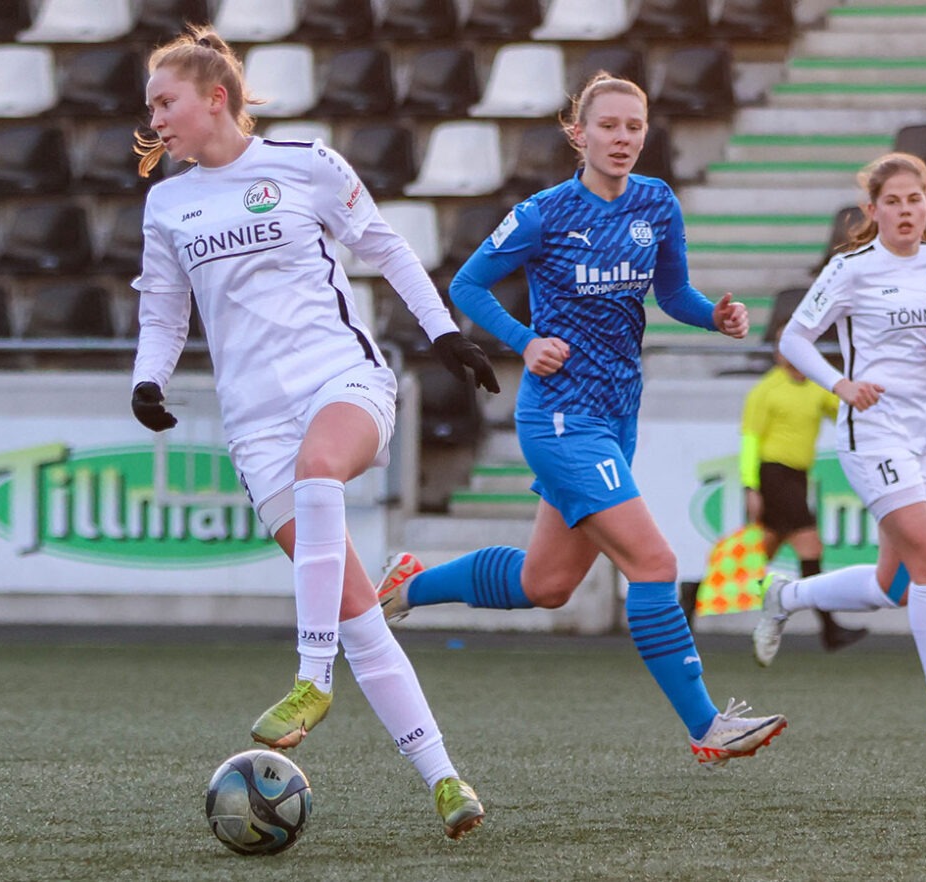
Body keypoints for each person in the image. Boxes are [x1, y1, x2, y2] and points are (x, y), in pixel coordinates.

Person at [129, 26, 500, 838]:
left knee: (321, 472)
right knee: (361, 612)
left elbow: (388, 248)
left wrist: (442, 334)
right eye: (152, 105)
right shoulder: (168, 202)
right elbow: (164, 308)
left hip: (343, 381)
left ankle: (309, 676)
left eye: (166, 101)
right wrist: (146, 380)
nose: (154, 118)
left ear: (214, 98)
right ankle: (446, 782)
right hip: (255, 424)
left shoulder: (307, 163)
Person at [376, 72, 787, 767]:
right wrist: (525, 341)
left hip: (617, 414)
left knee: (548, 584)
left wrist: (713, 317)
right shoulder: (544, 212)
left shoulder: (657, 203)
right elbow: (466, 284)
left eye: (635, 126)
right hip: (561, 418)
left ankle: (404, 587)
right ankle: (707, 726)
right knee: (654, 563)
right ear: (579, 133)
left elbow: (674, 292)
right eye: (609, 126)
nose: (623, 138)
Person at [751, 152, 926, 741]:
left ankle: (785, 594)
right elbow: (794, 336)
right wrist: (840, 384)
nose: (905, 210)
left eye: (915, 199)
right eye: (893, 201)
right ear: (873, 210)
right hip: (873, 434)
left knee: (897, 586)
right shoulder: (852, 268)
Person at [738, 348, 868, 651]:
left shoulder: (814, 388)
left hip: (796, 478)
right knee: (810, 545)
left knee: (758, 556)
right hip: (773, 475)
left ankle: (691, 596)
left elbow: (842, 411)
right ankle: (830, 629)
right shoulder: (766, 390)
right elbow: (749, 440)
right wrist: (750, 486)